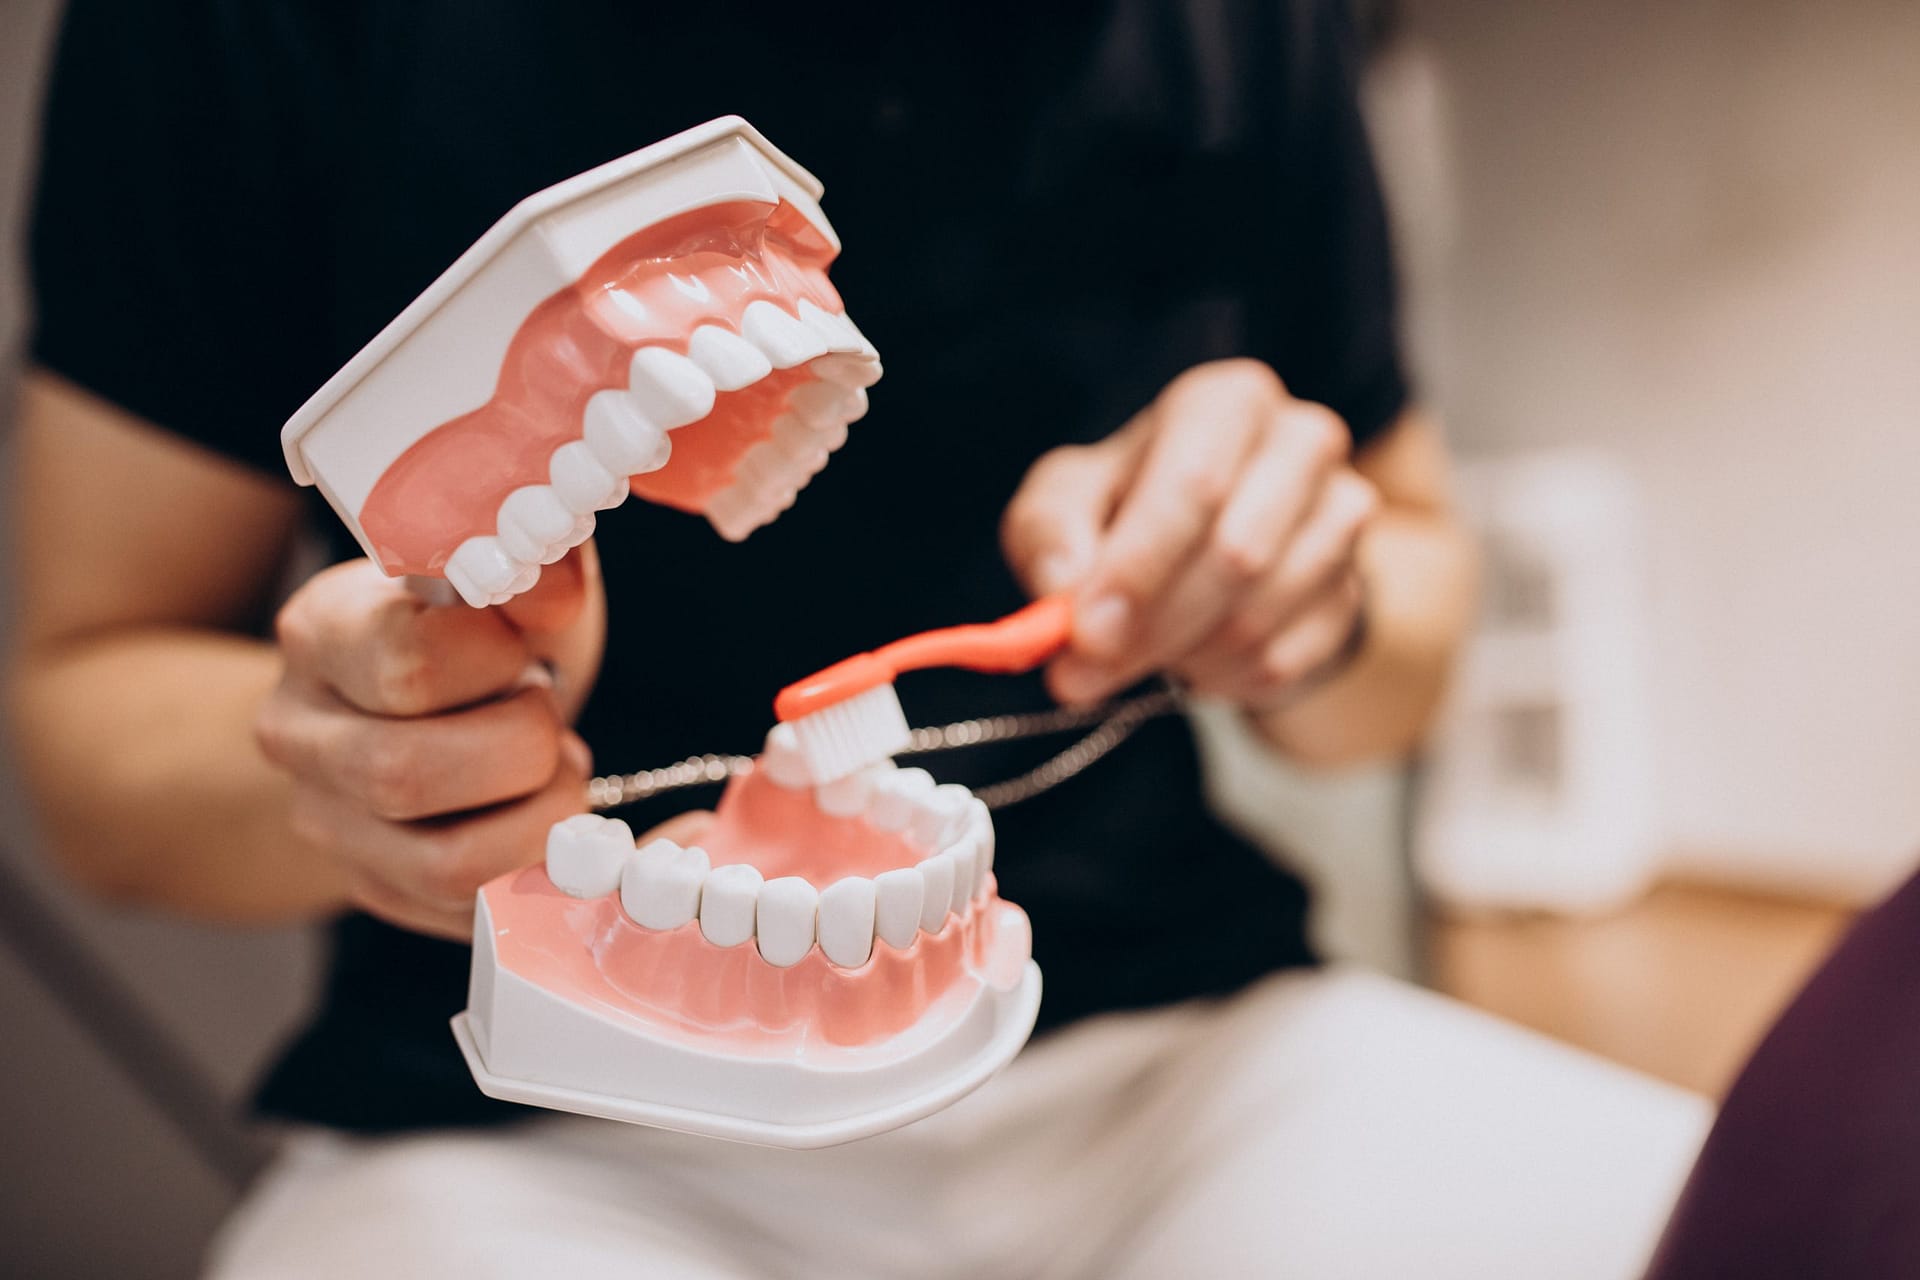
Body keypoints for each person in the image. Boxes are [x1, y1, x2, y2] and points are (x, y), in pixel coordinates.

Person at [6, 2, 1707, 1275]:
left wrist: (1304, 589)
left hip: (1181, 1075)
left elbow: (1406, 623)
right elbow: (89, 721)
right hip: (541, 1143)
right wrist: (368, 763)